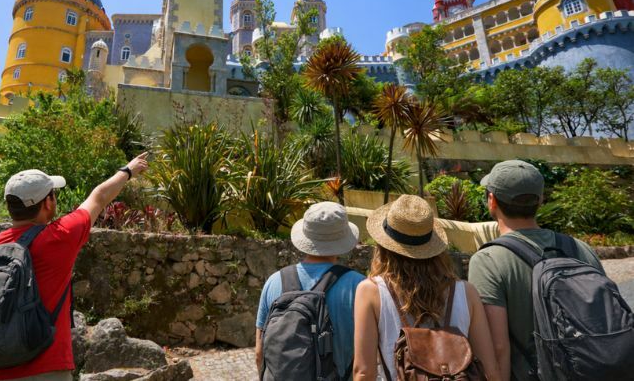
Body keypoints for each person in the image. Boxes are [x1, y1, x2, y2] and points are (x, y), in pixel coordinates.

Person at [0, 154, 149, 381]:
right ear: (47, 203)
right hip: (47, 372)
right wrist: (129, 170)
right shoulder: (59, 237)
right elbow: (100, 196)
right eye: (53, 194)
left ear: (9, 205)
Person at [468, 160, 604, 381]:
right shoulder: (580, 248)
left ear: (491, 201)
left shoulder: (488, 261)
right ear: (540, 200)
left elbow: (498, 348)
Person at [353, 195, 501, 381]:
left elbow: (364, 372)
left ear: (384, 246)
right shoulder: (466, 292)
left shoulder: (371, 291)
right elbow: (490, 370)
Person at [255, 201, 366, 379]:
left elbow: (260, 353)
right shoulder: (360, 286)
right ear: (343, 239)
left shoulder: (274, 282)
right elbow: (364, 365)